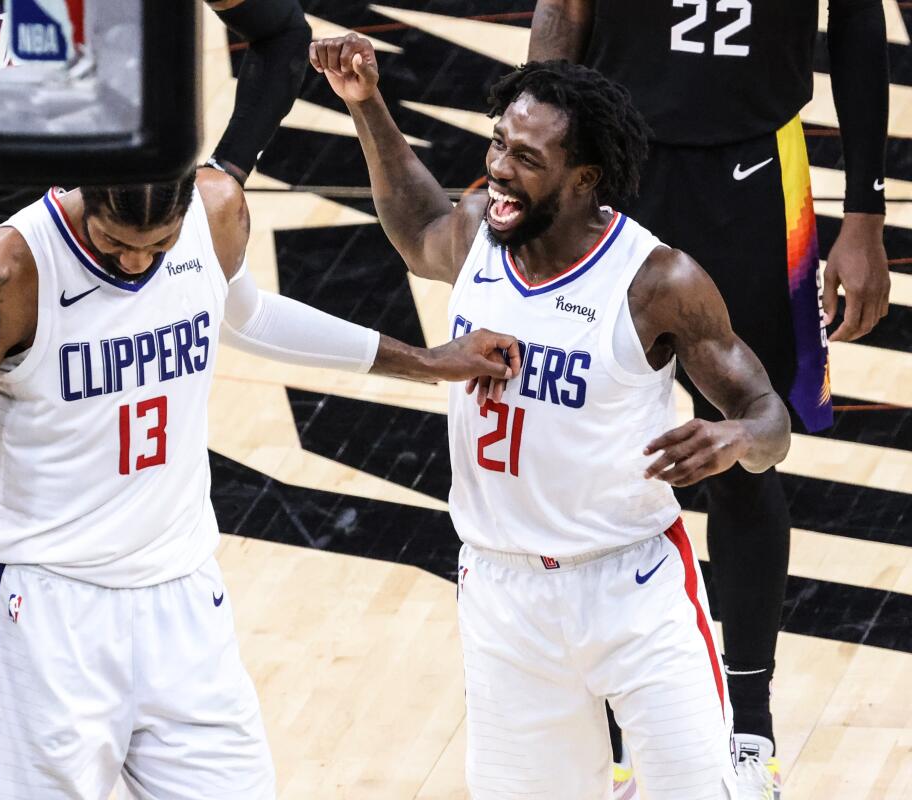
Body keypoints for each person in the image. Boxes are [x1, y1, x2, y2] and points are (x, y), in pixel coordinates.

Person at [0, 163, 520, 800]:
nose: (134, 264)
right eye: (115, 243)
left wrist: (426, 362)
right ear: (80, 193)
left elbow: (254, 318)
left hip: (185, 601)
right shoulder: (8, 271)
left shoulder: (214, 212)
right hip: (47, 616)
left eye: (156, 246)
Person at [0, 1, 310, 796]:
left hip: (131, 229)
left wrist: (228, 168)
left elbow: (285, 34)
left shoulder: (163, 229)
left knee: (122, 498)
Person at [312, 35, 792, 799]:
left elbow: (769, 417)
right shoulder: (478, 230)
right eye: (499, 142)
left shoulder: (656, 281)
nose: (499, 167)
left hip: (631, 585)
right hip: (503, 595)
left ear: (583, 180)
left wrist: (735, 439)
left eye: (527, 158)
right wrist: (367, 106)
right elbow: (417, 228)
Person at [526, 1, 891, 795]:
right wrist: (532, 157)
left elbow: (860, 26)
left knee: (744, 456)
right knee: (602, 452)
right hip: (613, 170)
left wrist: (865, 212)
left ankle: (749, 721)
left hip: (754, 169)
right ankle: (618, 706)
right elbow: (564, 8)